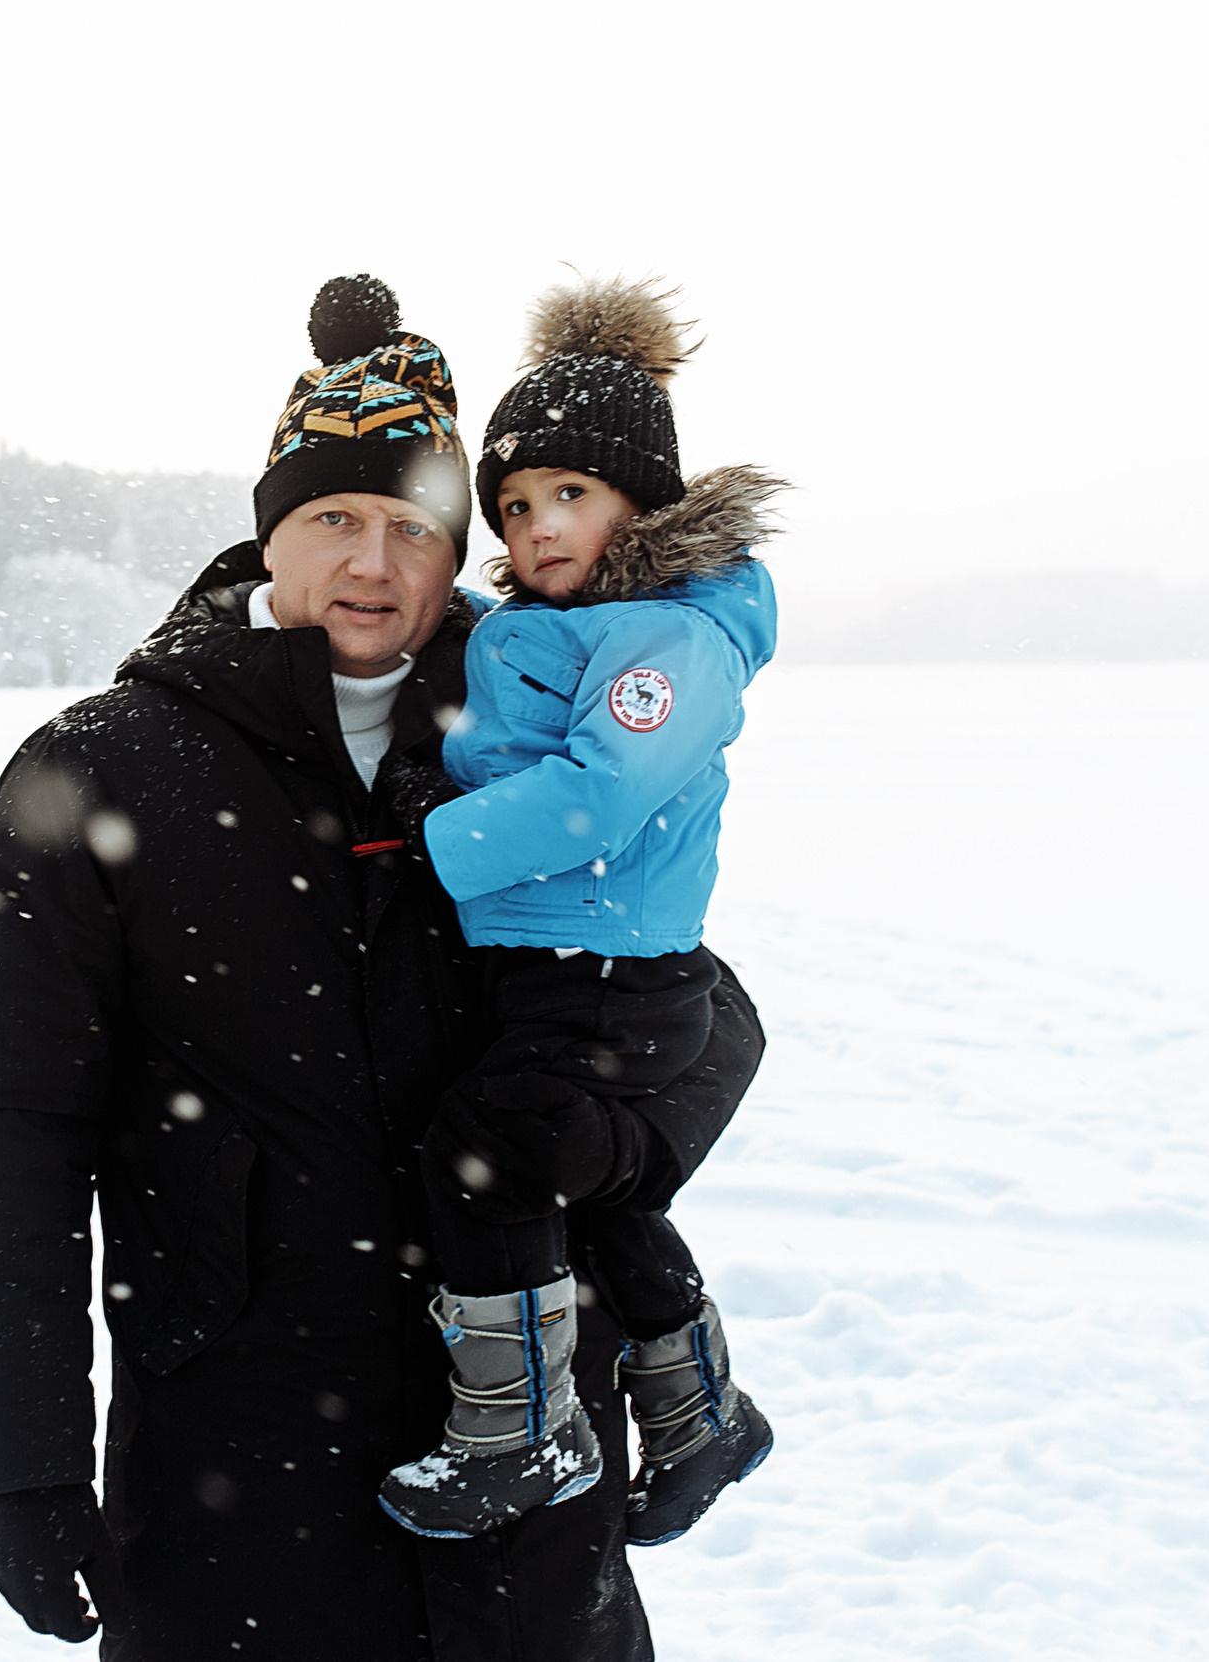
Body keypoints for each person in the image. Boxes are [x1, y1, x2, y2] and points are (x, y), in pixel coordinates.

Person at [0, 275, 765, 1661]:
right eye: (334, 519)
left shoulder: (527, 724)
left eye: (416, 528)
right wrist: (28, 1464)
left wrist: (615, 1209)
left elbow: (702, 1014)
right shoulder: (100, 767)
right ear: (271, 531)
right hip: (238, 1473)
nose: (373, 565)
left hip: (519, 1463)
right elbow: (16, 1129)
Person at [375, 279, 785, 1549]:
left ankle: (521, 1434)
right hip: (547, 965)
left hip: (608, 968)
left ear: (639, 502)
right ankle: (696, 1411)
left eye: (570, 496)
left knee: (483, 1153)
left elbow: (597, 795)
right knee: (598, 1198)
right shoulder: (560, 622)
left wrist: (426, 837)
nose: (537, 527)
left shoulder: (673, 637)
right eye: (513, 505)